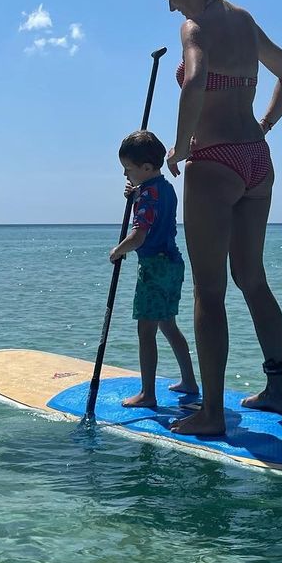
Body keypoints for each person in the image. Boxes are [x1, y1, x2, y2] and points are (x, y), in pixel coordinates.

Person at [161, 0, 282, 438]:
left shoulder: (193, 26)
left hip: (215, 161)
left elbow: (196, 80)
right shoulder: (244, 20)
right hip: (257, 161)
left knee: (208, 292)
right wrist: (264, 126)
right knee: (252, 279)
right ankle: (277, 388)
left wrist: (180, 146)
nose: (169, 4)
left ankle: (212, 414)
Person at [108, 129, 200, 408]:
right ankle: (189, 381)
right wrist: (136, 193)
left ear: (146, 167)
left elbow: (139, 236)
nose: (126, 175)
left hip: (154, 267)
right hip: (173, 263)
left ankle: (147, 394)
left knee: (145, 333)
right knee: (169, 325)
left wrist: (117, 251)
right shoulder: (164, 188)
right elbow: (151, 199)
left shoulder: (147, 195)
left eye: (128, 170)